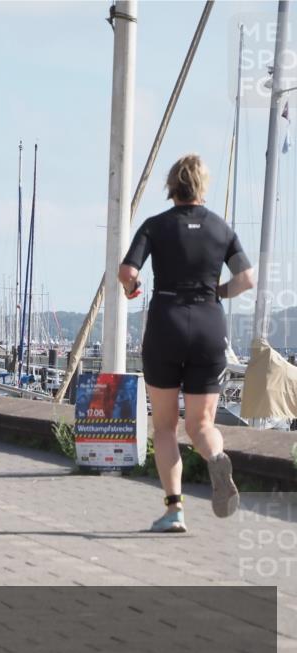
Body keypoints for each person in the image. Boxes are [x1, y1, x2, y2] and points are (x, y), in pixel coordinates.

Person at [118, 154, 255, 533]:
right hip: (209, 325)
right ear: (202, 186)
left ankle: (174, 509)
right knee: (201, 423)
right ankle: (215, 456)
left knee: (164, 427)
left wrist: (133, 288)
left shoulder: (156, 226)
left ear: (172, 186)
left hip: (167, 323)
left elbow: (127, 271)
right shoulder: (220, 229)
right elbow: (247, 278)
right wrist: (219, 292)